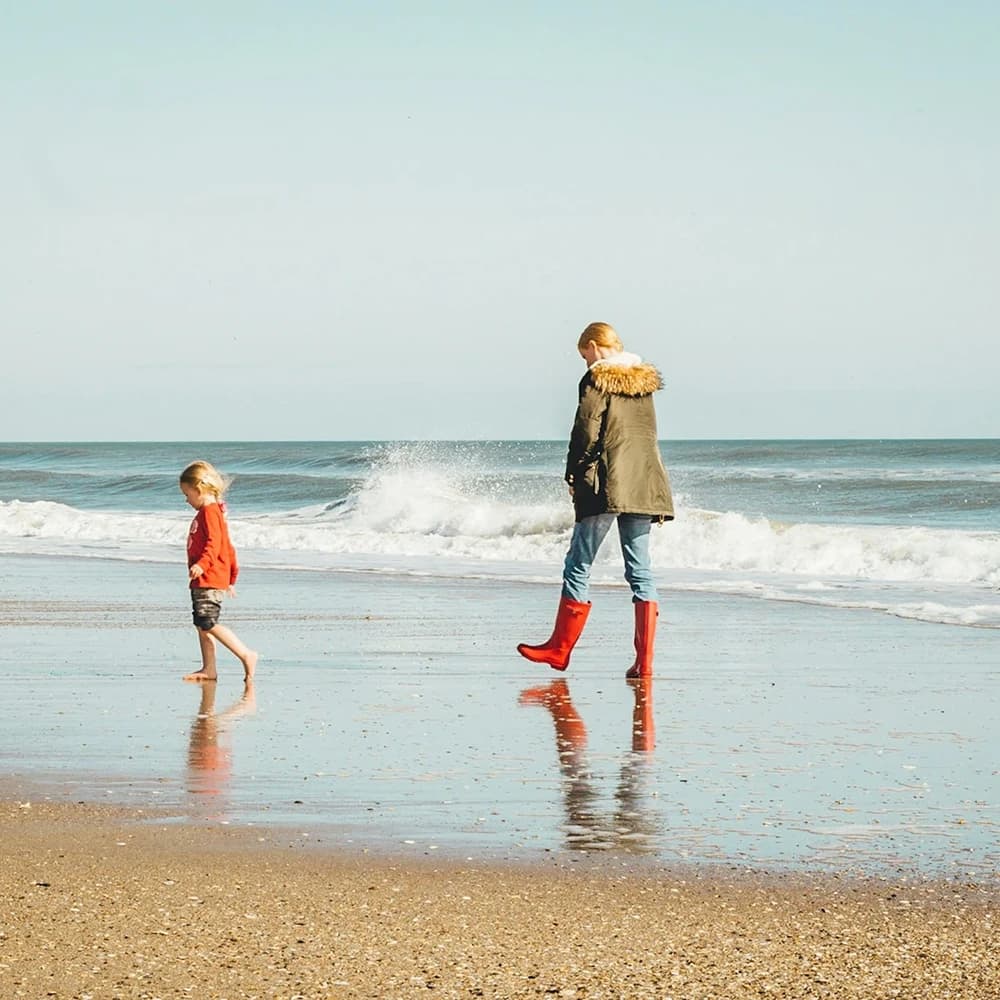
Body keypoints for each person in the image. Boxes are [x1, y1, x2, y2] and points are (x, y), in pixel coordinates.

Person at [517, 322, 673, 677]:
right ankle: (644, 664)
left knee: (579, 561)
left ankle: (559, 649)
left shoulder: (597, 378)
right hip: (644, 482)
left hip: (607, 482)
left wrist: (574, 474)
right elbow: (645, 435)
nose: (584, 361)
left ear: (593, 346)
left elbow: (587, 430)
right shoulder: (643, 383)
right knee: (640, 570)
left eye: (583, 353)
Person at [179, 460, 258, 682]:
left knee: (207, 622)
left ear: (199, 489)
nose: (187, 500)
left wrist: (202, 565)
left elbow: (215, 544)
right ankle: (209, 669)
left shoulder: (210, 512)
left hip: (208, 577)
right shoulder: (212, 512)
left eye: (187, 494)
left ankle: (246, 654)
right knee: (201, 625)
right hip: (205, 578)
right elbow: (228, 547)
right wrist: (232, 577)